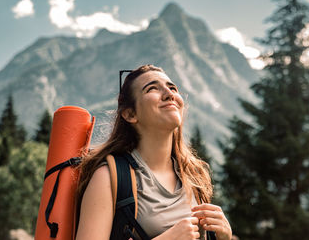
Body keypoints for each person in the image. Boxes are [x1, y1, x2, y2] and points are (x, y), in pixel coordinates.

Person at [75, 65, 232, 240]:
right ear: (130, 114)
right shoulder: (109, 177)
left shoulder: (194, 176)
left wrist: (223, 237)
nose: (169, 94)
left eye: (172, 88)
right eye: (152, 88)